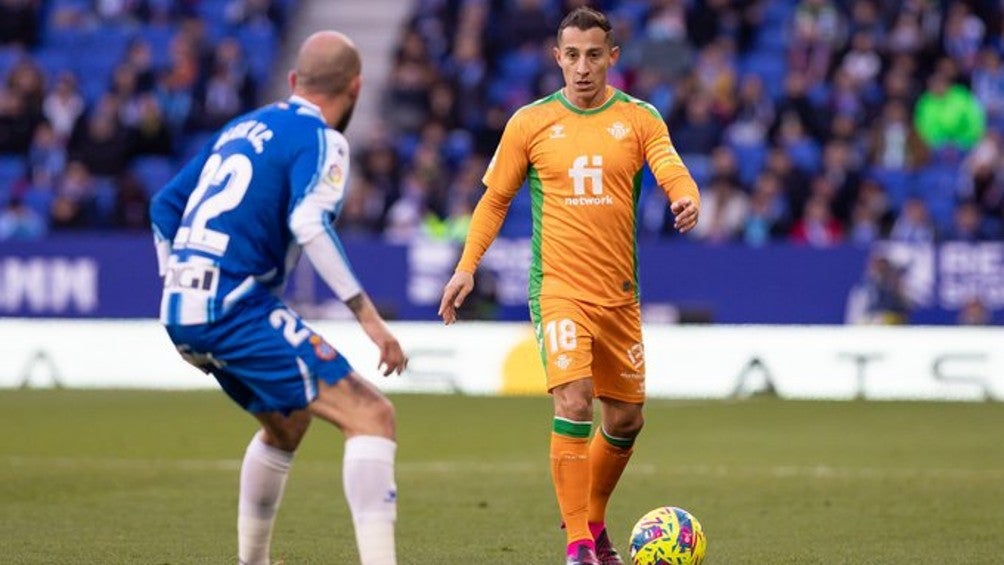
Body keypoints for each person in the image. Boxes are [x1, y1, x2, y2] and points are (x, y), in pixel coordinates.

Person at [438, 8, 700, 565]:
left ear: (613, 58)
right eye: (572, 55)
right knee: (574, 399)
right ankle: (578, 544)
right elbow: (494, 199)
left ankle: (593, 521)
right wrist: (467, 265)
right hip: (558, 289)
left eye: (593, 55)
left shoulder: (638, 118)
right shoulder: (529, 123)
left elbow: (670, 167)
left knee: (626, 419)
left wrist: (686, 198)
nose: (582, 67)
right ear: (557, 57)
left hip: (619, 296)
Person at [149, 31, 407, 565]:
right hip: (235, 305)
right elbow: (308, 222)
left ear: (293, 81)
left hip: (182, 311)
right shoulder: (322, 140)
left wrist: (178, 283)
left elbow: (162, 206)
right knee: (371, 415)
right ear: (355, 87)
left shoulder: (243, 126)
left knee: (287, 421)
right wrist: (370, 320)